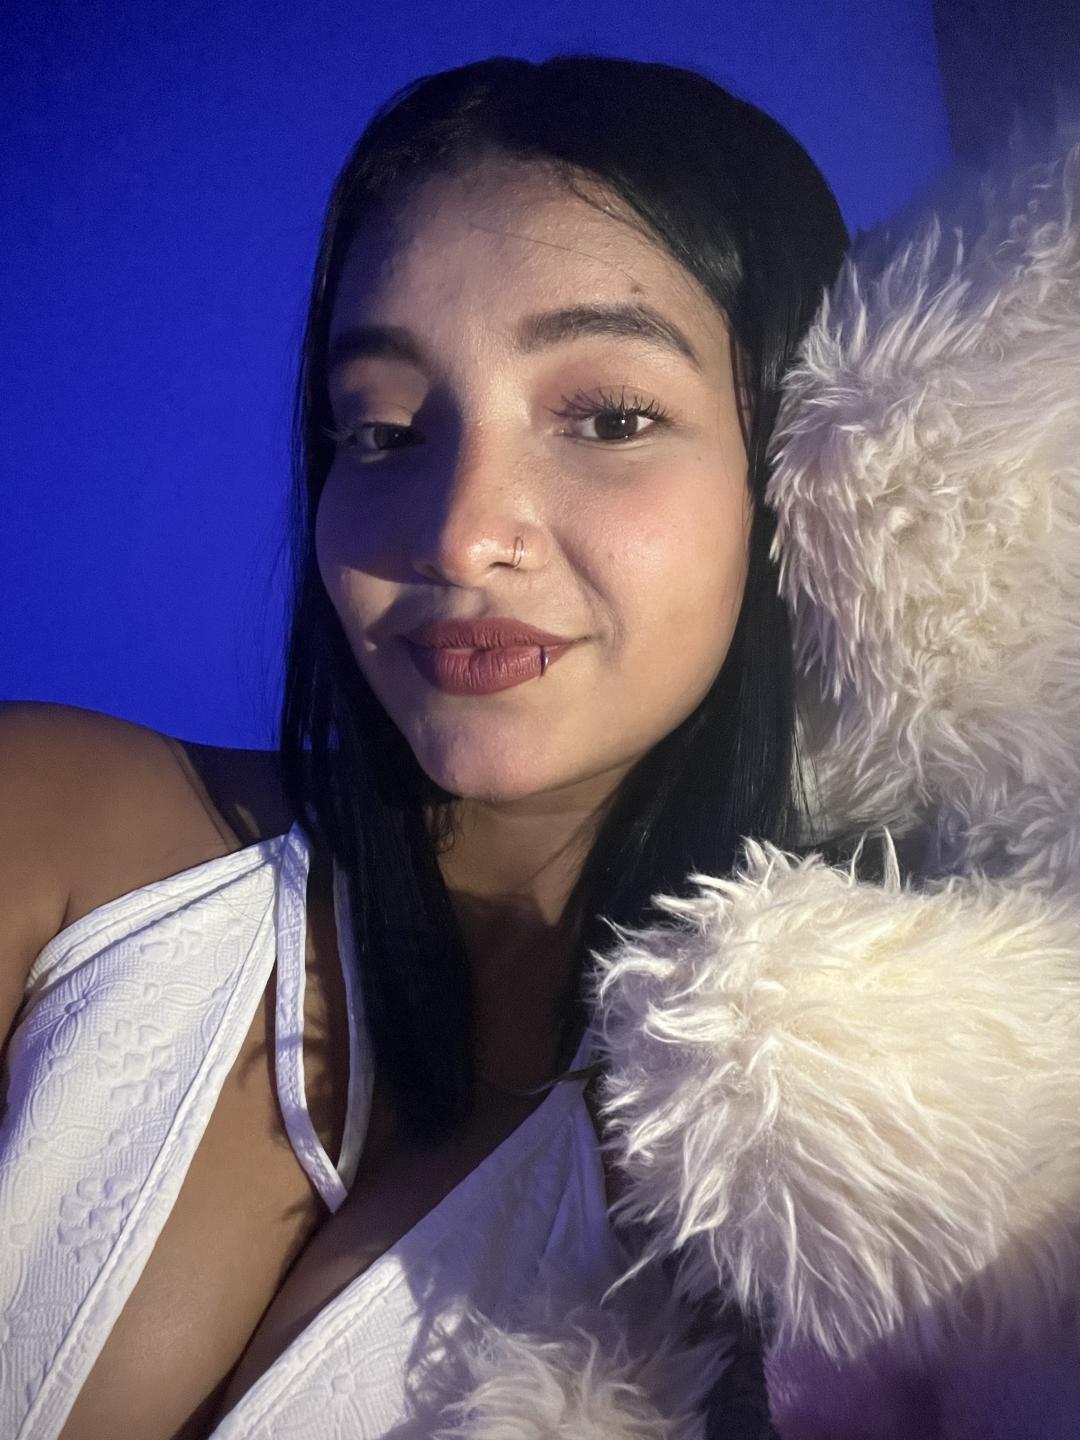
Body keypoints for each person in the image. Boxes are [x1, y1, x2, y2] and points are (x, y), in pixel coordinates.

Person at [5, 51, 1077, 1440]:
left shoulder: (832, 1175)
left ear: (801, 469)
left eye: (610, 417)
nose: (458, 535)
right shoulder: (62, 835)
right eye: (382, 430)